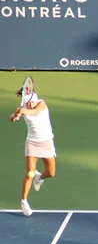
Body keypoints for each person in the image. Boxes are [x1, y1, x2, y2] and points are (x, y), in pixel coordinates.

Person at [8, 76, 57, 217]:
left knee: (51, 173)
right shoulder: (23, 108)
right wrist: (16, 114)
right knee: (29, 172)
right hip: (32, 142)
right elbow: (11, 119)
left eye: (32, 101)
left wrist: (23, 111)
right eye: (29, 103)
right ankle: (24, 201)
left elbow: (35, 112)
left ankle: (40, 178)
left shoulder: (41, 104)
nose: (31, 104)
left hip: (47, 141)